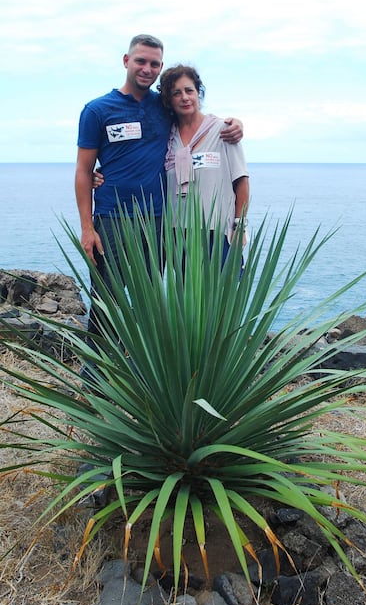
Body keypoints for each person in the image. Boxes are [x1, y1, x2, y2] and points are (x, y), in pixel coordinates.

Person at [75, 34, 243, 373]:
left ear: (160, 67)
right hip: (111, 220)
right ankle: (94, 381)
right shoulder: (97, 110)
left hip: (158, 223)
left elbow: (195, 120)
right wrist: (87, 227)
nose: (147, 68)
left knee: (149, 305)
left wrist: (235, 125)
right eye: (141, 61)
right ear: (126, 61)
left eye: (154, 63)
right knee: (106, 301)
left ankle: (140, 378)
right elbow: (82, 170)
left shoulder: (163, 107)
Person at [159, 64, 250, 267]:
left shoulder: (223, 130)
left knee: (225, 296)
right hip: (178, 233)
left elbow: (241, 181)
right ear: (168, 100)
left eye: (189, 90)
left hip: (218, 233)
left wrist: (240, 225)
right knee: (186, 297)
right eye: (176, 93)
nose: (184, 97)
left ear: (198, 93)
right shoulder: (167, 137)